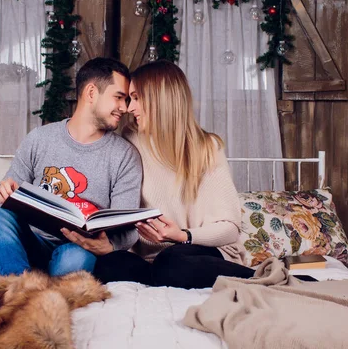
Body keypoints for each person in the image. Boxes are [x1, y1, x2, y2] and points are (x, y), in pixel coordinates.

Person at [93, 60, 254, 289]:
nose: (129, 108)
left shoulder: (207, 147)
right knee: (109, 264)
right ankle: (161, 277)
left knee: (173, 261)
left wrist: (182, 236)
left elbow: (229, 229)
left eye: (137, 98)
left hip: (198, 252)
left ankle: (255, 279)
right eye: (129, 99)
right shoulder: (130, 142)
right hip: (149, 260)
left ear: (160, 99)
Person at [0, 57, 142, 278]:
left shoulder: (125, 156)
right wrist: (2, 192)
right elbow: (3, 199)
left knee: (77, 258)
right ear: (91, 93)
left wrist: (110, 245)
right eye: (119, 97)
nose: (124, 108)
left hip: (77, 249)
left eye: (126, 100)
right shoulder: (39, 139)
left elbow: (126, 228)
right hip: (32, 242)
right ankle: (22, 290)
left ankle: (23, 285)